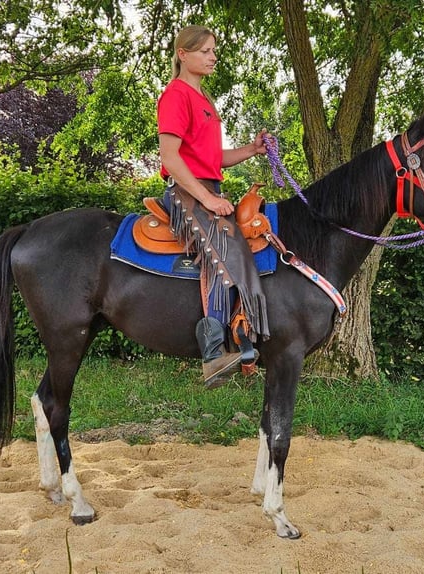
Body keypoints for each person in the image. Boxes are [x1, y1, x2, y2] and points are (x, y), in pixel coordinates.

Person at [157, 25, 270, 388]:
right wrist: (206, 198)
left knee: (239, 243)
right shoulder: (176, 96)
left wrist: (251, 151)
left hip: (207, 187)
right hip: (186, 193)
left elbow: (212, 157)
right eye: (205, 50)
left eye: (214, 50)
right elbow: (171, 159)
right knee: (219, 251)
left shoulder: (205, 101)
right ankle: (214, 352)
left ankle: (245, 333)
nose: (213, 56)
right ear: (183, 54)